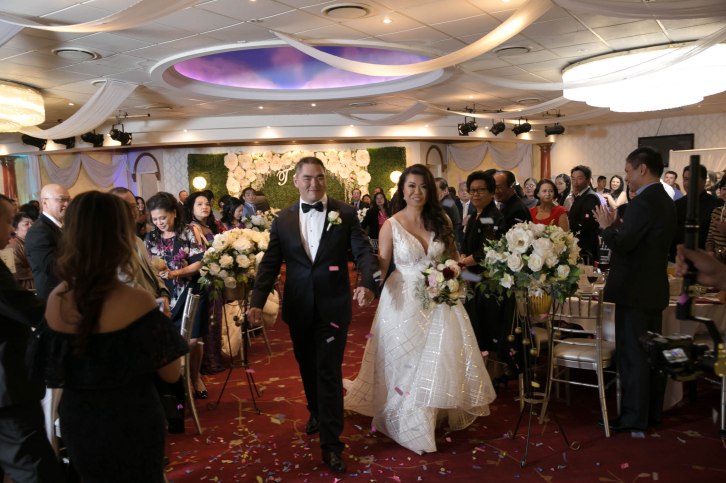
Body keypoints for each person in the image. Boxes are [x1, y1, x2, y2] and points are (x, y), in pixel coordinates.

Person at [31, 191, 187, 482]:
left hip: (80, 420)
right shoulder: (137, 301)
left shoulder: (56, 300)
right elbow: (171, 373)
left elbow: (48, 372)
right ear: (120, 238)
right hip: (133, 416)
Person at [344, 164, 495, 454]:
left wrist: (453, 277)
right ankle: (406, 417)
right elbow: (383, 266)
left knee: (437, 357)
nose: (417, 192)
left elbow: (453, 258)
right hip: (403, 299)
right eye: (411, 186)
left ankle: (429, 411)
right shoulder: (391, 225)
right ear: (402, 190)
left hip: (440, 299)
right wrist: (367, 285)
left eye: (423, 186)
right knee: (406, 358)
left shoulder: (442, 220)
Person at [246, 157, 378, 474]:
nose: (314, 183)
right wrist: (256, 300)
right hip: (299, 305)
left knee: (328, 371)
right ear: (296, 181)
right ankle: (316, 410)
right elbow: (270, 263)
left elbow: (362, 251)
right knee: (307, 365)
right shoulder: (283, 220)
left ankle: (332, 445)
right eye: (307, 178)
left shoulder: (345, 213)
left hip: (334, 306)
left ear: (325, 180)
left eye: (319, 177)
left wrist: (369, 282)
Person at [593, 147, 676, 432]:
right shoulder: (665, 199)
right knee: (649, 355)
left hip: (634, 290)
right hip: (652, 288)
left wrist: (606, 228)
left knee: (633, 357)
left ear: (642, 168)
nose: (626, 177)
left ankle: (632, 417)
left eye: (628, 171)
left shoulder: (643, 202)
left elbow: (624, 245)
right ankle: (650, 413)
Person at [0, 194, 65, 483]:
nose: (12, 230)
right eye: (7, 221)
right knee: (36, 470)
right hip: (6, 388)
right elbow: (24, 308)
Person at [145, 192, 208, 399]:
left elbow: (199, 263)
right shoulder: (151, 238)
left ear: (173, 212)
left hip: (190, 291)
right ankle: (180, 381)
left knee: (193, 340)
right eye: (155, 219)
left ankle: (195, 377)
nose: (159, 223)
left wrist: (176, 273)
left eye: (163, 217)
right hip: (165, 294)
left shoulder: (188, 232)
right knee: (171, 341)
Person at [460, 170, 506, 351]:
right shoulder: (474, 215)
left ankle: (490, 364)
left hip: (487, 281)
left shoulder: (492, 216)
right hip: (473, 278)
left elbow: (488, 249)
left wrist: (463, 263)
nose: (475, 194)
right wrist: (462, 257)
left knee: (485, 328)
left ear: (491, 192)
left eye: (481, 190)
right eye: (472, 190)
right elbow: (466, 244)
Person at [109, 188, 171, 317]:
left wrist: (164, 293)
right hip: (135, 312)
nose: (131, 212)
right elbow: (127, 282)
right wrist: (154, 304)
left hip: (154, 308)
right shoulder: (110, 243)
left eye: (133, 206)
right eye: (124, 207)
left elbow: (152, 270)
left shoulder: (137, 240)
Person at [25, 184, 70, 300]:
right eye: (61, 199)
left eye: (68, 200)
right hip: (54, 297)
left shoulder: (62, 226)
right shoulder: (39, 231)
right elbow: (53, 267)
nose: (67, 204)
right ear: (45, 203)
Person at [671, 164, 720, 260]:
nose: (688, 183)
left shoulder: (716, 204)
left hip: (704, 259)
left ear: (704, 181)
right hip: (678, 258)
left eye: (693, 179)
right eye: (686, 179)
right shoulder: (677, 204)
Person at [568, 165, 601, 264]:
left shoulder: (590, 197)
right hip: (580, 245)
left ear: (588, 180)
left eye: (579, 178)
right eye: (573, 179)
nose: (575, 182)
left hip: (586, 247)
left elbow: (588, 224)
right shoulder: (580, 195)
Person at [8, 211, 35, 290]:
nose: (31, 226)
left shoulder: (29, 242)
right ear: (15, 229)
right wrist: (38, 271)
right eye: (26, 224)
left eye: (32, 223)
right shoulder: (11, 246)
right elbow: (14, 270)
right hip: (25, 287)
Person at [435, 178, 463, 249]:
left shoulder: (446, 202)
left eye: (435, 189)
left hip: (450, 240)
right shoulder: (447, 200)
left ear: (445, 190)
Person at [704, 177, 726, 263]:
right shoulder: (717, 211)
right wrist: (710, 252)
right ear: (720, 190)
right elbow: (710, 238)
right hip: (716, 263)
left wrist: (719, 255)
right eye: (724, 189)